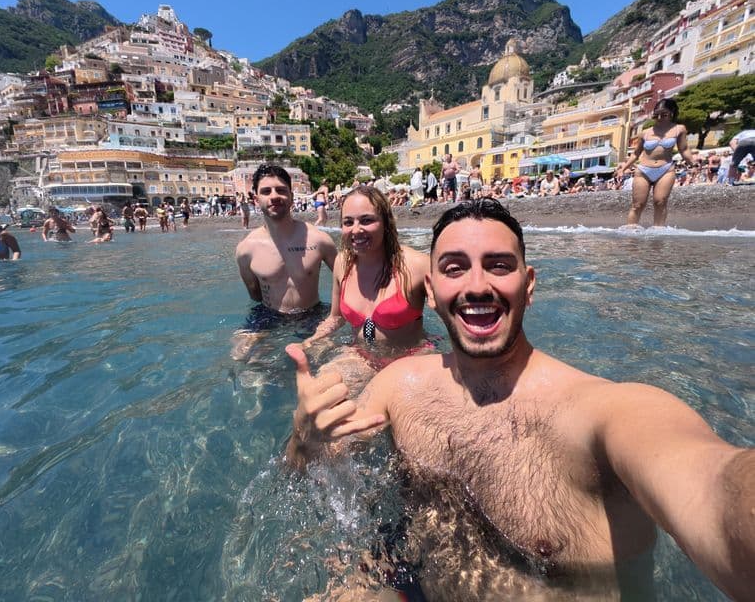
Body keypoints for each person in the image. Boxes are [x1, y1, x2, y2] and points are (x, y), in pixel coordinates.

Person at [286, 199, 754, 601]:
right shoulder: (394, 374)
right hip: (414, 575)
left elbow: (715, 491)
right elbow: (312, 467)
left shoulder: (607, 413)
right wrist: (305, 436)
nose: (476, 286)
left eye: (499, 265)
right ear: (432, 290)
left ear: (529, 285)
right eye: (454, 268)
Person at [303, 187, 429, 366]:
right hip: (360, 356)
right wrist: (313, 340)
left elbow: (454, 314)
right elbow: (336, 318)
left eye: (366, 220)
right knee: (321, 388)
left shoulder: (416, 265)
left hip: (410, 360)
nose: (356, 230)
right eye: (348, 222)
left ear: (386, 223)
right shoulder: (342, 263)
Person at [236, 164, 337, 314]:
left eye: (281, 190)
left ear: (291, 197)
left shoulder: (319, 240)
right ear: (256, 200)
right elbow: (255, 296)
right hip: (269, 317)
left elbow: (346, 281)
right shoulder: (246, 249)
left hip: (311, 315)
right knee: (241, 338)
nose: (274, 196)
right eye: (266, 191)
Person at [615, 98, 695, 226]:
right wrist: (623, 168)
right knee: (637, 204)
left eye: (664, 114)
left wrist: (693, 164)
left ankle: (658, 231)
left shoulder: (679, 129)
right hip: (644, 170)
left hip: (665, 169)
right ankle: (630, 232)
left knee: (660, 201)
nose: (659, 117)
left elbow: (684, 149)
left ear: (672, 113)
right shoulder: (645, 133)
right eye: (656, 114)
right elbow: (636, 154)